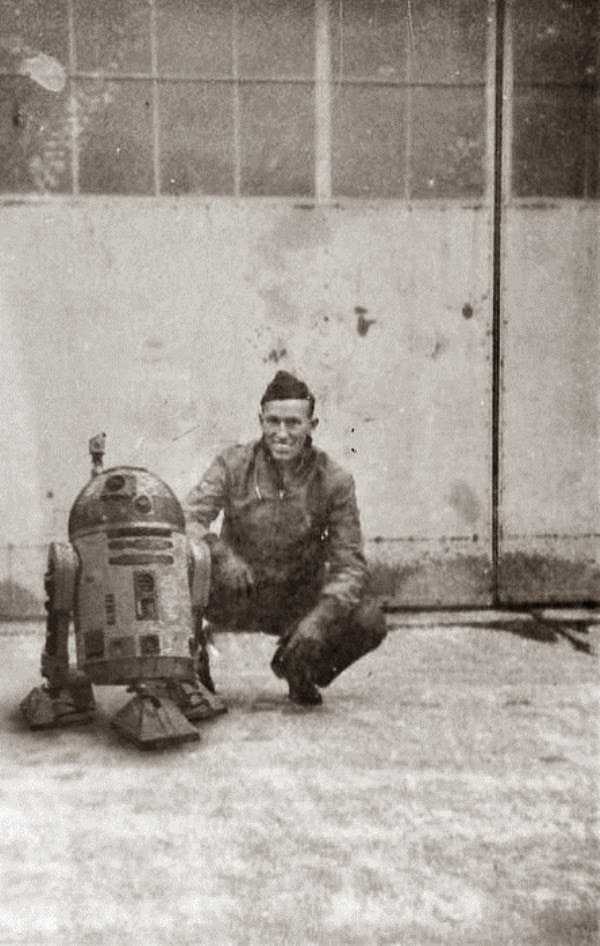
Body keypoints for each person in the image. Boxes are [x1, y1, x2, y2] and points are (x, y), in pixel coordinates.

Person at [184, 370, 387, 706]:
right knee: (181, 562)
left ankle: (300, 666)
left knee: (368, 619)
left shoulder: (334, 480)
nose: (281, 433)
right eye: (273, 422)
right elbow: (186, 519)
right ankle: (190, 667)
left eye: (293, 423)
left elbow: (350, 566)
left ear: (312, 425)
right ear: (260, 421)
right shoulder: (232, 465)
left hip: (296, 597)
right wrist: (220, 554)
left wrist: (320, 620)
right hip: (238, 590)